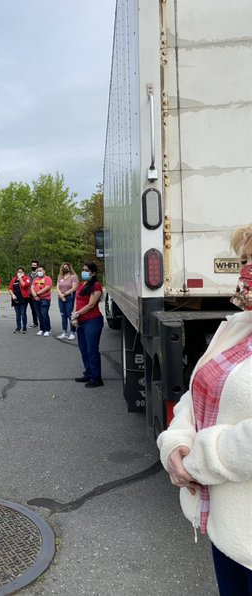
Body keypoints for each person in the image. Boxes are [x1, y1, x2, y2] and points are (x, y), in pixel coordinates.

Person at [158, 225, 252, 592]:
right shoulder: (238, 327)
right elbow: (196, 393)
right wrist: (175, 444)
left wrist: (196, 462)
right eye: (244, 260)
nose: (245, 270)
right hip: (226, 530)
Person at [71, 263, 105, 388]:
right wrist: (75, 316)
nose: (83, 272)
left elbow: (91, 305)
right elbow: (77, 302)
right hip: (81, 321)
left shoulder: (96, 286)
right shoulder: (81, 285)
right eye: (83, 270)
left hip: (93, 321)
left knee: (92, 350)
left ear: (93, 273)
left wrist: (76, 314)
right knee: (83, 349)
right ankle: (88, 373)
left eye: (87, 270)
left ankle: (96, 378)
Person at [57, 263, 80, 340]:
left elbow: (74, 288)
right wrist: (60, 294)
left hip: (69, 297)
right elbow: (57, 287)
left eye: (66, 267)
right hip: (60, 298)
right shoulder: (60, 276)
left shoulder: (73, 277)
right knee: (63, 315)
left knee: (70, 315)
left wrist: (64, 294)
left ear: (70, 268)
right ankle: (64, 332)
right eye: (63, 267)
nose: (65, 268)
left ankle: (72, 333)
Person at [31, 266, 54, 336]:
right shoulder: (35, 279)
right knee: (39, 315)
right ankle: (42, 329)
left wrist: (37, 293)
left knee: (44, 314)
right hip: (36, 299)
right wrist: (35, 296)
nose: (39, 272)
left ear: (44, 271)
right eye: (38, 271)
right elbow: (32, 288)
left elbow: (47, 288)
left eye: (40, 271)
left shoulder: (47, 278)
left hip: (45, 299)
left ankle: (47, 329)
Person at [9, 267, 32, 334]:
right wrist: (12, 294)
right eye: (18, 271)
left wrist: (20, 278)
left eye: (21, 271)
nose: (19, 273)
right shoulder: (14, 279)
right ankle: (18, 327)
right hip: (15, 298)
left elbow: (24, 285)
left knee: (23, 313)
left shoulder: (26, 278)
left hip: (23, 298)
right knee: (17, 314)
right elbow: (10, 288)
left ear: (24, 272)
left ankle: (24, 327)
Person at [28, 259, 42, 332]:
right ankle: (35, 323)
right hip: (30, 294)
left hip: (38, 294)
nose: (33, 266)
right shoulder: (29, 274)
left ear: (37, 266)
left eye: (35, 265)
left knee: (39, 309)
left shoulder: (39, 274)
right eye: (32, 265)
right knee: (33, 309)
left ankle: (42, 323)